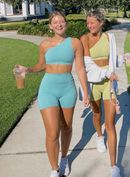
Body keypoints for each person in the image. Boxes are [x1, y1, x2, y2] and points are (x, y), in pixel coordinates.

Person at [14, 11, 89, 177]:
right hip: (48, 89)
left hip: (68, 89)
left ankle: (64, 158)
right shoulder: (45, 45)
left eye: (62, 21)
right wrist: (28, 69)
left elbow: (80, 69)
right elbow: (41, 65)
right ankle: (54, 169)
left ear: (66, 24)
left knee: (66, 127)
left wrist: (86, 91)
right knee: (52, 132)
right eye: (55, 22)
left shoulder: (75, 43)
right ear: (50, 26)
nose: (59, 24)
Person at [80, 9, 121, 177]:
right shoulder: (84, 39)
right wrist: (105, 73)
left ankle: (114, 167)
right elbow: (88, 65)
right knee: (97, 115)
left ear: (101, 22)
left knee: (110, 124)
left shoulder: (109, 38)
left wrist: (123, 59)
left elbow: (113, 59)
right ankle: (99, 136)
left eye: (92, 22)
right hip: (93, 84)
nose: (90, 25)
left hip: (109, 85)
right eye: (88, 23)